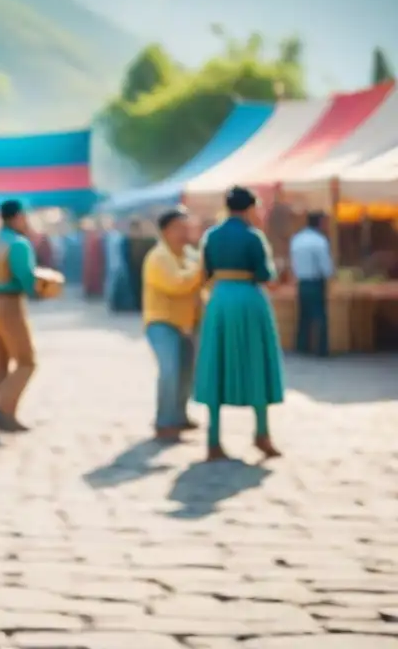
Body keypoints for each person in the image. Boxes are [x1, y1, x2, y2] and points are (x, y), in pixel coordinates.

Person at [194, 186, 285, 462]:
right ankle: (262, 433)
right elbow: (265, 275)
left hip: (220, 300)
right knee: (255, 362)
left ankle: (213, 439)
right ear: (249, 208)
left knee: (217, 363)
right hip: (249, 299)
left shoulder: (211, 235)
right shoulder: (253, 237)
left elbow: (204, 272)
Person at [0, 199, 39, 433]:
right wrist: (41, 288)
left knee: (0, 360)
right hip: (9, 303)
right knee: (26, 361)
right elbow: (27, 278)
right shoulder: (19, 244)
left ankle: (5, 417)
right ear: (17, 217)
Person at [142, 208, 204, 441]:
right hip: (162, 323)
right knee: (170, 370)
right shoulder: (159, 257)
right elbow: (178, 284)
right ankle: (164, 421)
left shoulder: (189, 255)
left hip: (187, 323)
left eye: (187, 227)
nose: (184, 232)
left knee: (185, 373)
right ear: (166, 231)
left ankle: (179, 415)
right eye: (179, 227)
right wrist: (200, 269)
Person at [289, 211, 333, 357]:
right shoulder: (319, 241)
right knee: (320, 316)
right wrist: (329, 275)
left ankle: (302, 346)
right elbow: (325, 266)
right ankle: (321, 349)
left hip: (302, 281)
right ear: (320, 223)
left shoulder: (297, 239)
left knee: (304, 315)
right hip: (315, 281)